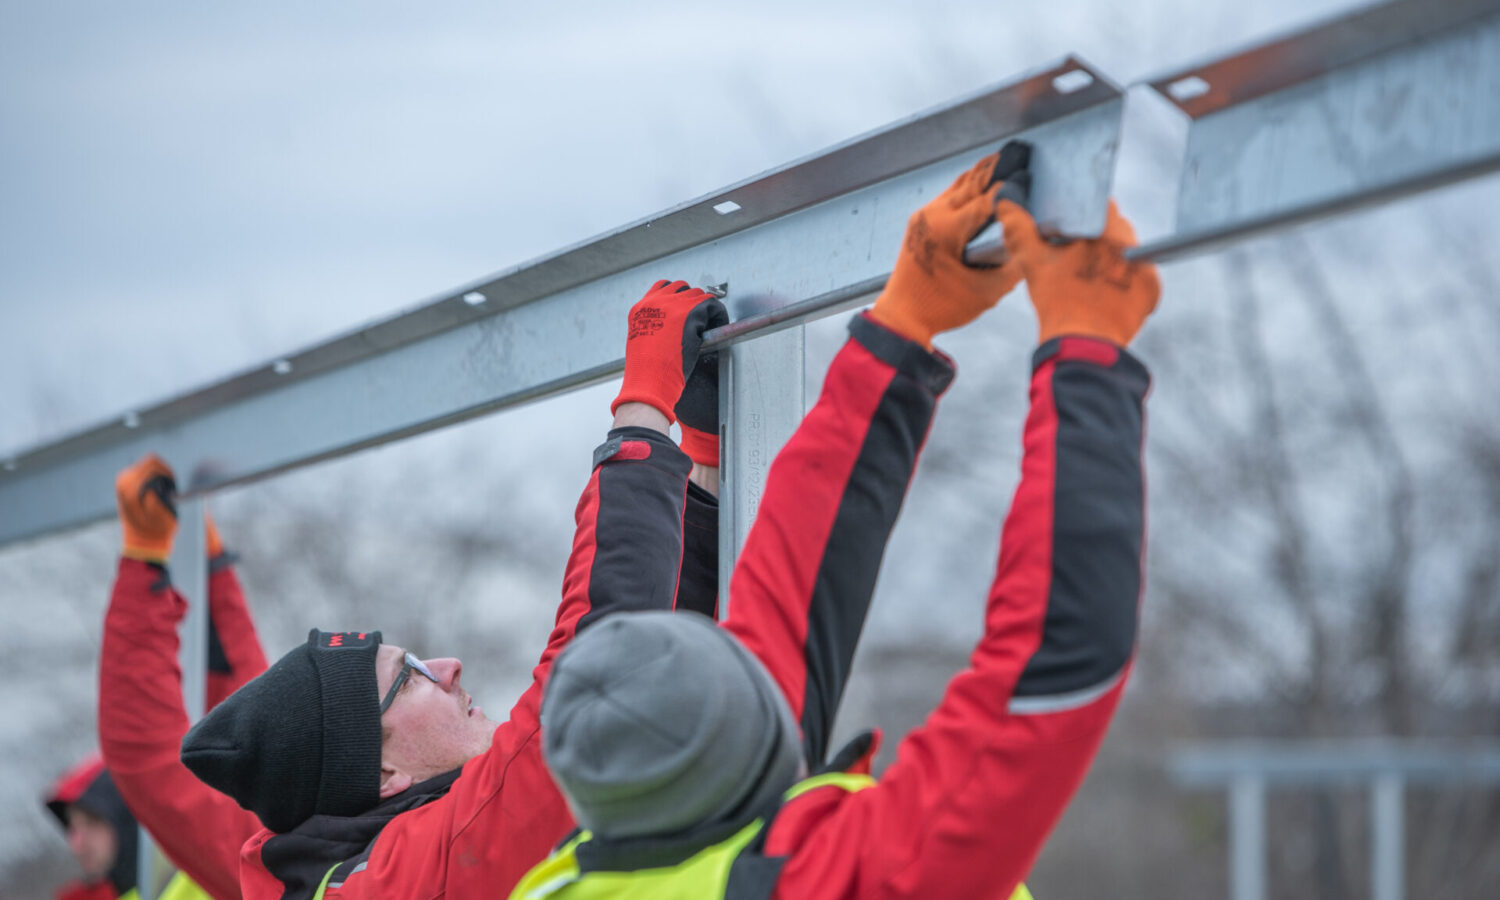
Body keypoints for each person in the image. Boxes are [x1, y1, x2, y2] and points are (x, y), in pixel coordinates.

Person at [509, 142, 1160, 898]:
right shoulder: (827, 883)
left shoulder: (573, 880)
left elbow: (787, 599)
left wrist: (903, 328)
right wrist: (1087, 361)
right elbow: (1051, 662)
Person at [150, 278, 728, 900]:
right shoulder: (403, 881)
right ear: (381, 771)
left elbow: (642, 677)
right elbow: (598, 676)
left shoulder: (363, 871)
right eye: (412, 675)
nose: (449, 667)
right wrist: (642, 408)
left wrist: (698, 462)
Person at [43, 755, 207, 900]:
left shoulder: (210, 880)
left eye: (92, 822)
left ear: (129, 817)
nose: (76, 844)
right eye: (72, 827)